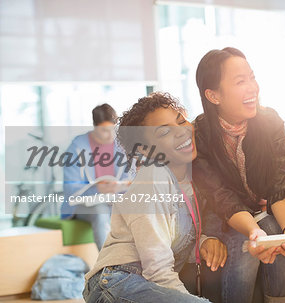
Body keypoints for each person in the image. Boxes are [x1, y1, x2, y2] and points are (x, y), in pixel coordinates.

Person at [83, 92, 227, 303]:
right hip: (117, 281)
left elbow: (175, 239)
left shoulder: (188, 182)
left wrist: (204, 241)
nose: (181, 132)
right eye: (164, 132)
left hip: (144, 283)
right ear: (145, 150)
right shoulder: (154, 175)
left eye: (181, 121)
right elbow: (158, 270)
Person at [193, 47, 285, 303]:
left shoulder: (270, 121)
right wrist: (254, 232)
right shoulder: (199, 134)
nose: (252, 87)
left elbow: (280, 183)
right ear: (213, 95)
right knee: (248, 245)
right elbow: (220, 197)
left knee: (278, 233)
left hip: (262, 209)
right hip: (223, 216)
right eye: (240, 81)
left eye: (252, 77)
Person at [62, 103, 132, 250]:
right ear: (95, 127)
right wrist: (97, 189)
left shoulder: (120, 145)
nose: (111, 135)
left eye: (113, 130)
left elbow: (128, 175)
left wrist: (123, 185)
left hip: (113, 200)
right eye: (104, 130)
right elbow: (70, 188)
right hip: (83, 205)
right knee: (101, 212)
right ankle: (107, 265)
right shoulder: (77, 147)